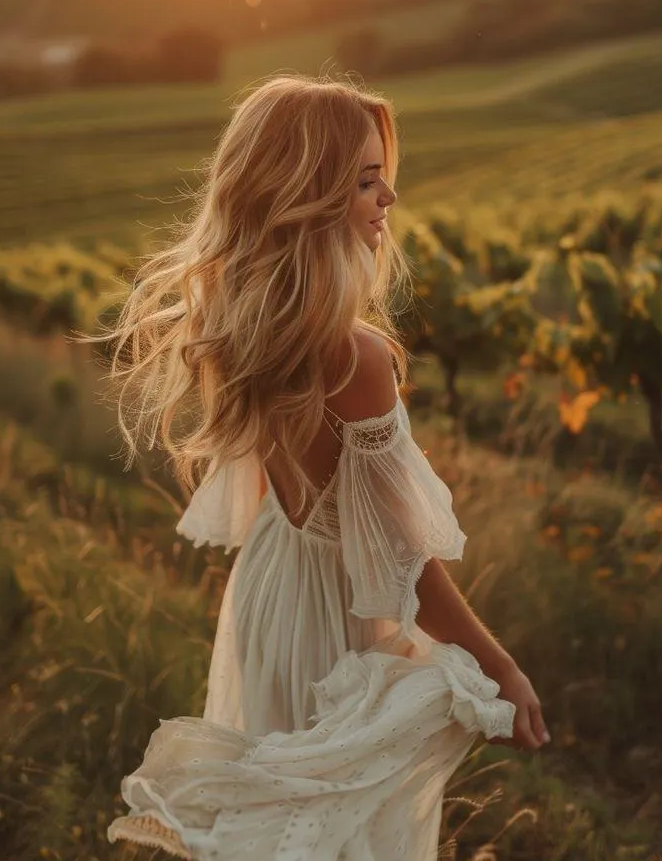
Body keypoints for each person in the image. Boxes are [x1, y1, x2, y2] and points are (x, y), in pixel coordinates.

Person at [100, 74, 549, 859]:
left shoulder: (247, 326)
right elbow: (402, 561)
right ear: (306, 189)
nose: (389, 199)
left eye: (386, 177)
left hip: (274, 588)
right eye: (367, 180)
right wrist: (501, 667)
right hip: (336, 619)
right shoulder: (354, 355)